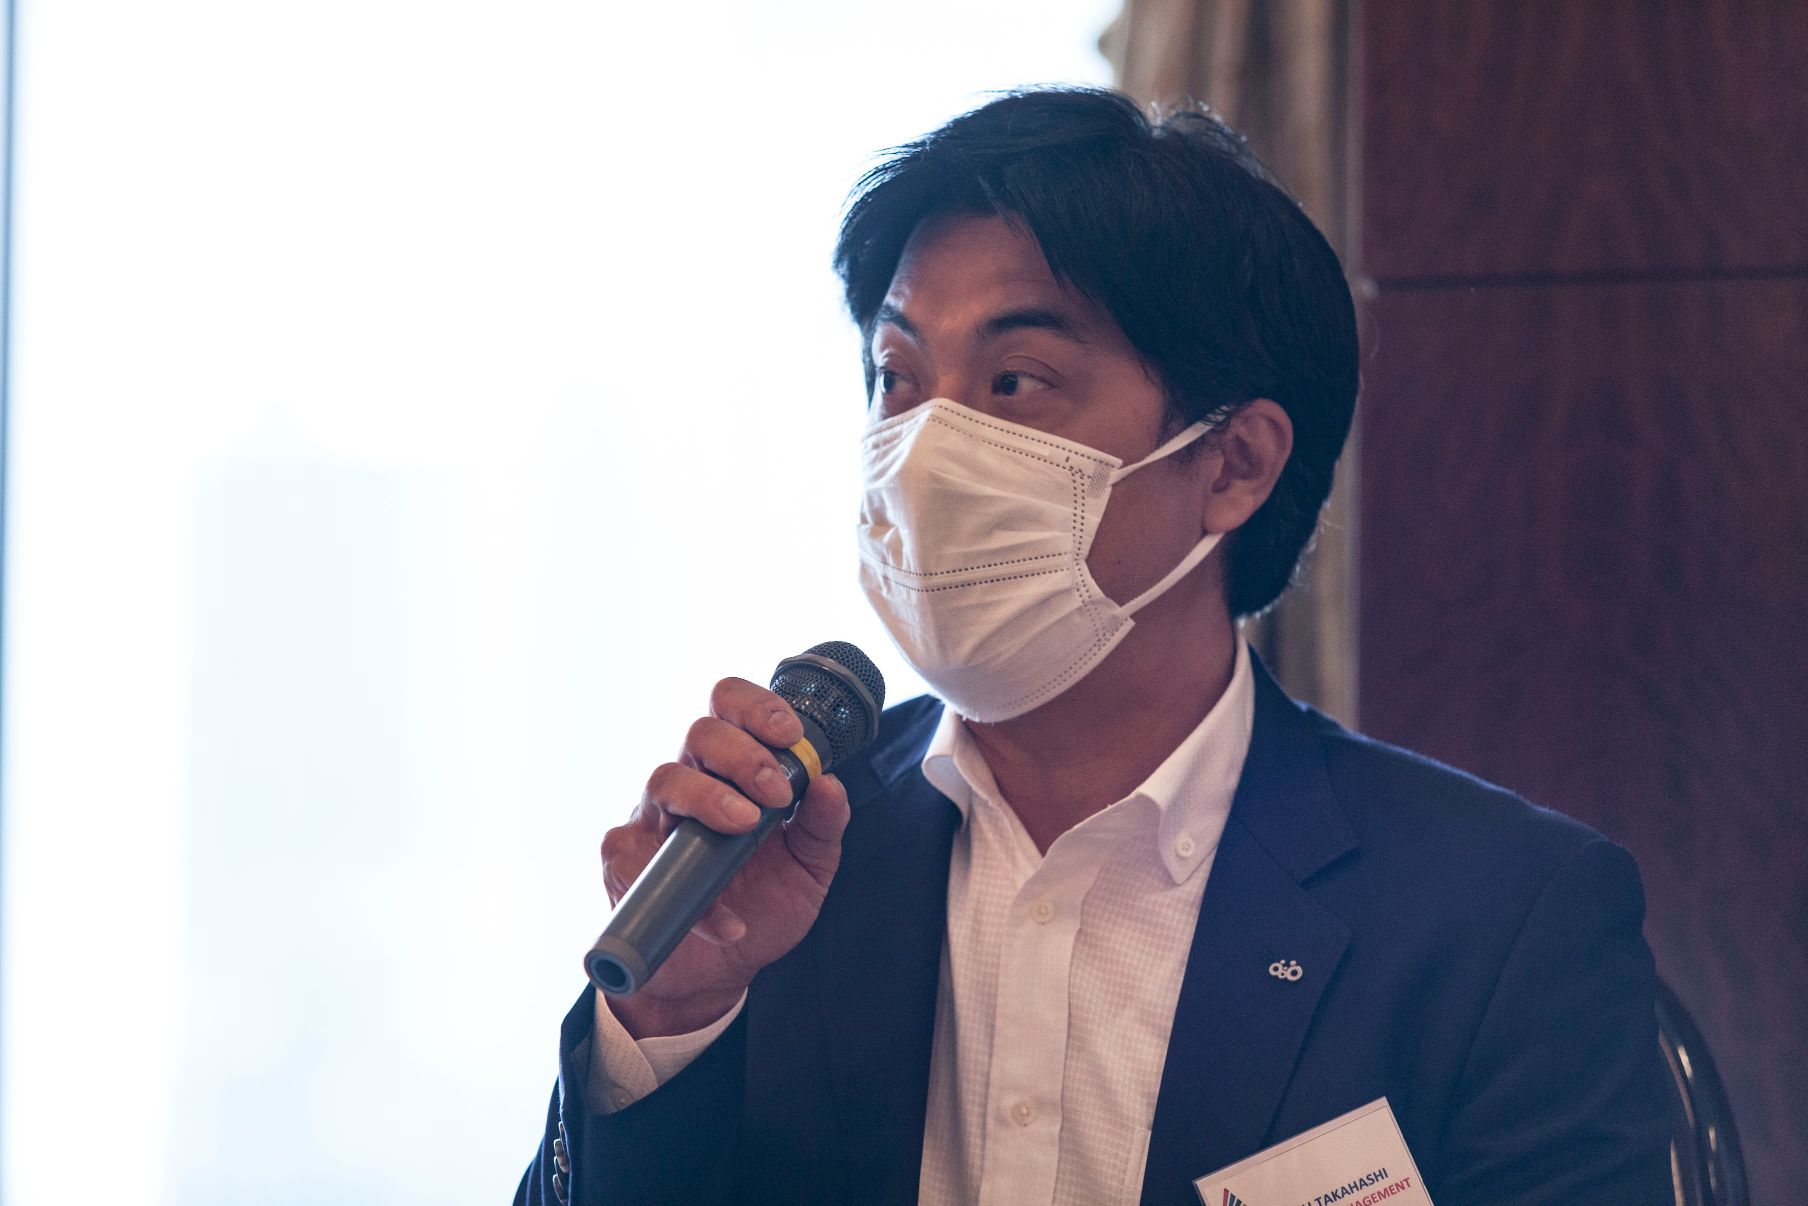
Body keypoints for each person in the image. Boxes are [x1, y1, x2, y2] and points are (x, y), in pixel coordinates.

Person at [514, 87, 1672, 1206]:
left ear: (1232, 466)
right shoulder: (774, 858)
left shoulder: (1496, 919)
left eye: (1013, 382)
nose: (925, 453)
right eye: (896, 379)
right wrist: (669, 1020)